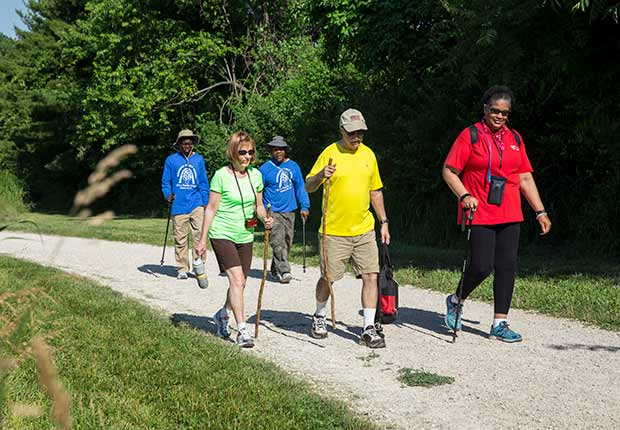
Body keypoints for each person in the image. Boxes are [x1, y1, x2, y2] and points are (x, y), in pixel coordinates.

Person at [442, 85, 552, 343]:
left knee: (507, 267)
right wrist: (464, 195)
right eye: (495, 111)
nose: (500, 116)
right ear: (485, 109)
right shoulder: (470, 135)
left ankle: (499, 323)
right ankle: (456, 299)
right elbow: (449, 170)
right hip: (478, 210)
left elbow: (524, 177)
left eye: (505, 113)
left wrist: (540, 211)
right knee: (481, 266)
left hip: (510, 212)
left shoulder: (515, 139)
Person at [305, 108, 390, 349]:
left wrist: (383, 221)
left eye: (361, 132)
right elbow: (309, 185)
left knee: (371, 275)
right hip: (333, 230)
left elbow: (375, 191)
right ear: (341, 131)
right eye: (352, 133)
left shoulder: (368, 155)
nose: (357, 138)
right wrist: (322, 174)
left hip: (363, 228)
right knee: (328, 278)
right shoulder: (329, 153)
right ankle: (319, 315)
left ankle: (368, 327)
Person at [195, 131, 273, 348]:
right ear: (233, 152)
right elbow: (210, 209)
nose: (247, 156)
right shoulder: (220, 175)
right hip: (222, 233)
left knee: (242, 282)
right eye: (242, 152)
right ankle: (242, 331)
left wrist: (265, 218)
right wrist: (202, 240)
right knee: (237, 280)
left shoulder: (255, 176)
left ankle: (222, 314)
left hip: (245, 234)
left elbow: (258, 206)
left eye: (251, 152)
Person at [259, 136, 310, 284]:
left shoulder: (294, 166)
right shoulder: (265, 169)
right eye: (275, 149)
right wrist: (261, 211)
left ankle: (275, 269)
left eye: (281, 149)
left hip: (290, 211)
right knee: (277, 242)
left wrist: (304, 206)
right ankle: (285, 271)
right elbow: (258, 192)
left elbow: (300, 187)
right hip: (273, 211)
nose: (278, 151)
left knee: (287, 241)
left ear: (285, 150)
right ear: (271, 151)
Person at [161, 129, 210, 279]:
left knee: (198, 236)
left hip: (196, 203)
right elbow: (165, 182)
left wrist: (205, 202)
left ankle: (198, 264)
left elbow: (203, 182)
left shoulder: (199, 160)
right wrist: (167, 194)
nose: (187, 145)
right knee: (180, 238)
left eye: (189, 142)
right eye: (184, 142)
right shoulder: (171, 160)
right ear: (179, 144)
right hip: (178, 205)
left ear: (193, 143)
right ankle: (182, 267)